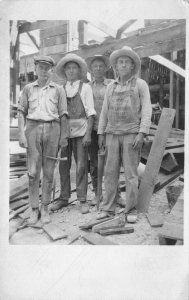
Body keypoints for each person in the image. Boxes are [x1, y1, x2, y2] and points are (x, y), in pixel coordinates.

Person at [97, 46, 152, 219]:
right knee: (110, 173)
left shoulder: (140, 84)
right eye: (120, 62)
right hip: (112, 134)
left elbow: (147, 110)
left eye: (126, 62)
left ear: (132, 66)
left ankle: (131, 209)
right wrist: (101, 133)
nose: (123, 65)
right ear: (116, 66)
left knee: (131, 174)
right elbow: (104, 112)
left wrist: (142, 133)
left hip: (131, 135)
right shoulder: (110, 87)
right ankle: (108, 209)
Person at [18, 55, 68, 224]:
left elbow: (63, 115)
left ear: (51, 70)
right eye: (41, 67)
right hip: (32, 129)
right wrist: (21, 134)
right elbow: (21, 112)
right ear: (36, 69)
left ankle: (45, 207)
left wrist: (63, 137)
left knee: (48, 171)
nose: (44, 71)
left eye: (47, 68)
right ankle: (34, 209)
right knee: (32, 172)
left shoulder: (58, 89)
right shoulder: (28, 89)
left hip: (53, 129)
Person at [50, 53, 96, 214]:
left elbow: (91, 113)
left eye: (74, 68)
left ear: (78, 71)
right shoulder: (60, 89)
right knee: (63, 165)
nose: (71, 71)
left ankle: (82, 199)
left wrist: (88, 134)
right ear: (65, 71)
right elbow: (57, 114)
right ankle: (63, 198)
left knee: (82, 165)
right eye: (68, 68)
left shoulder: (86, 87)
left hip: (81, 132)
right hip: (64, 134)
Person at [86, 55, 112, 205]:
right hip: (93, 129)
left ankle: (113, 194)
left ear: (106, 68)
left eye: (101, 66)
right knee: (95, 163)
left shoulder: (111, 85)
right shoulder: (87, 87)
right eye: (95, 66)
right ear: (91, 69)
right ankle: (97, 193)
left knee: (112, 162)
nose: (98, 68)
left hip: (110, 129)